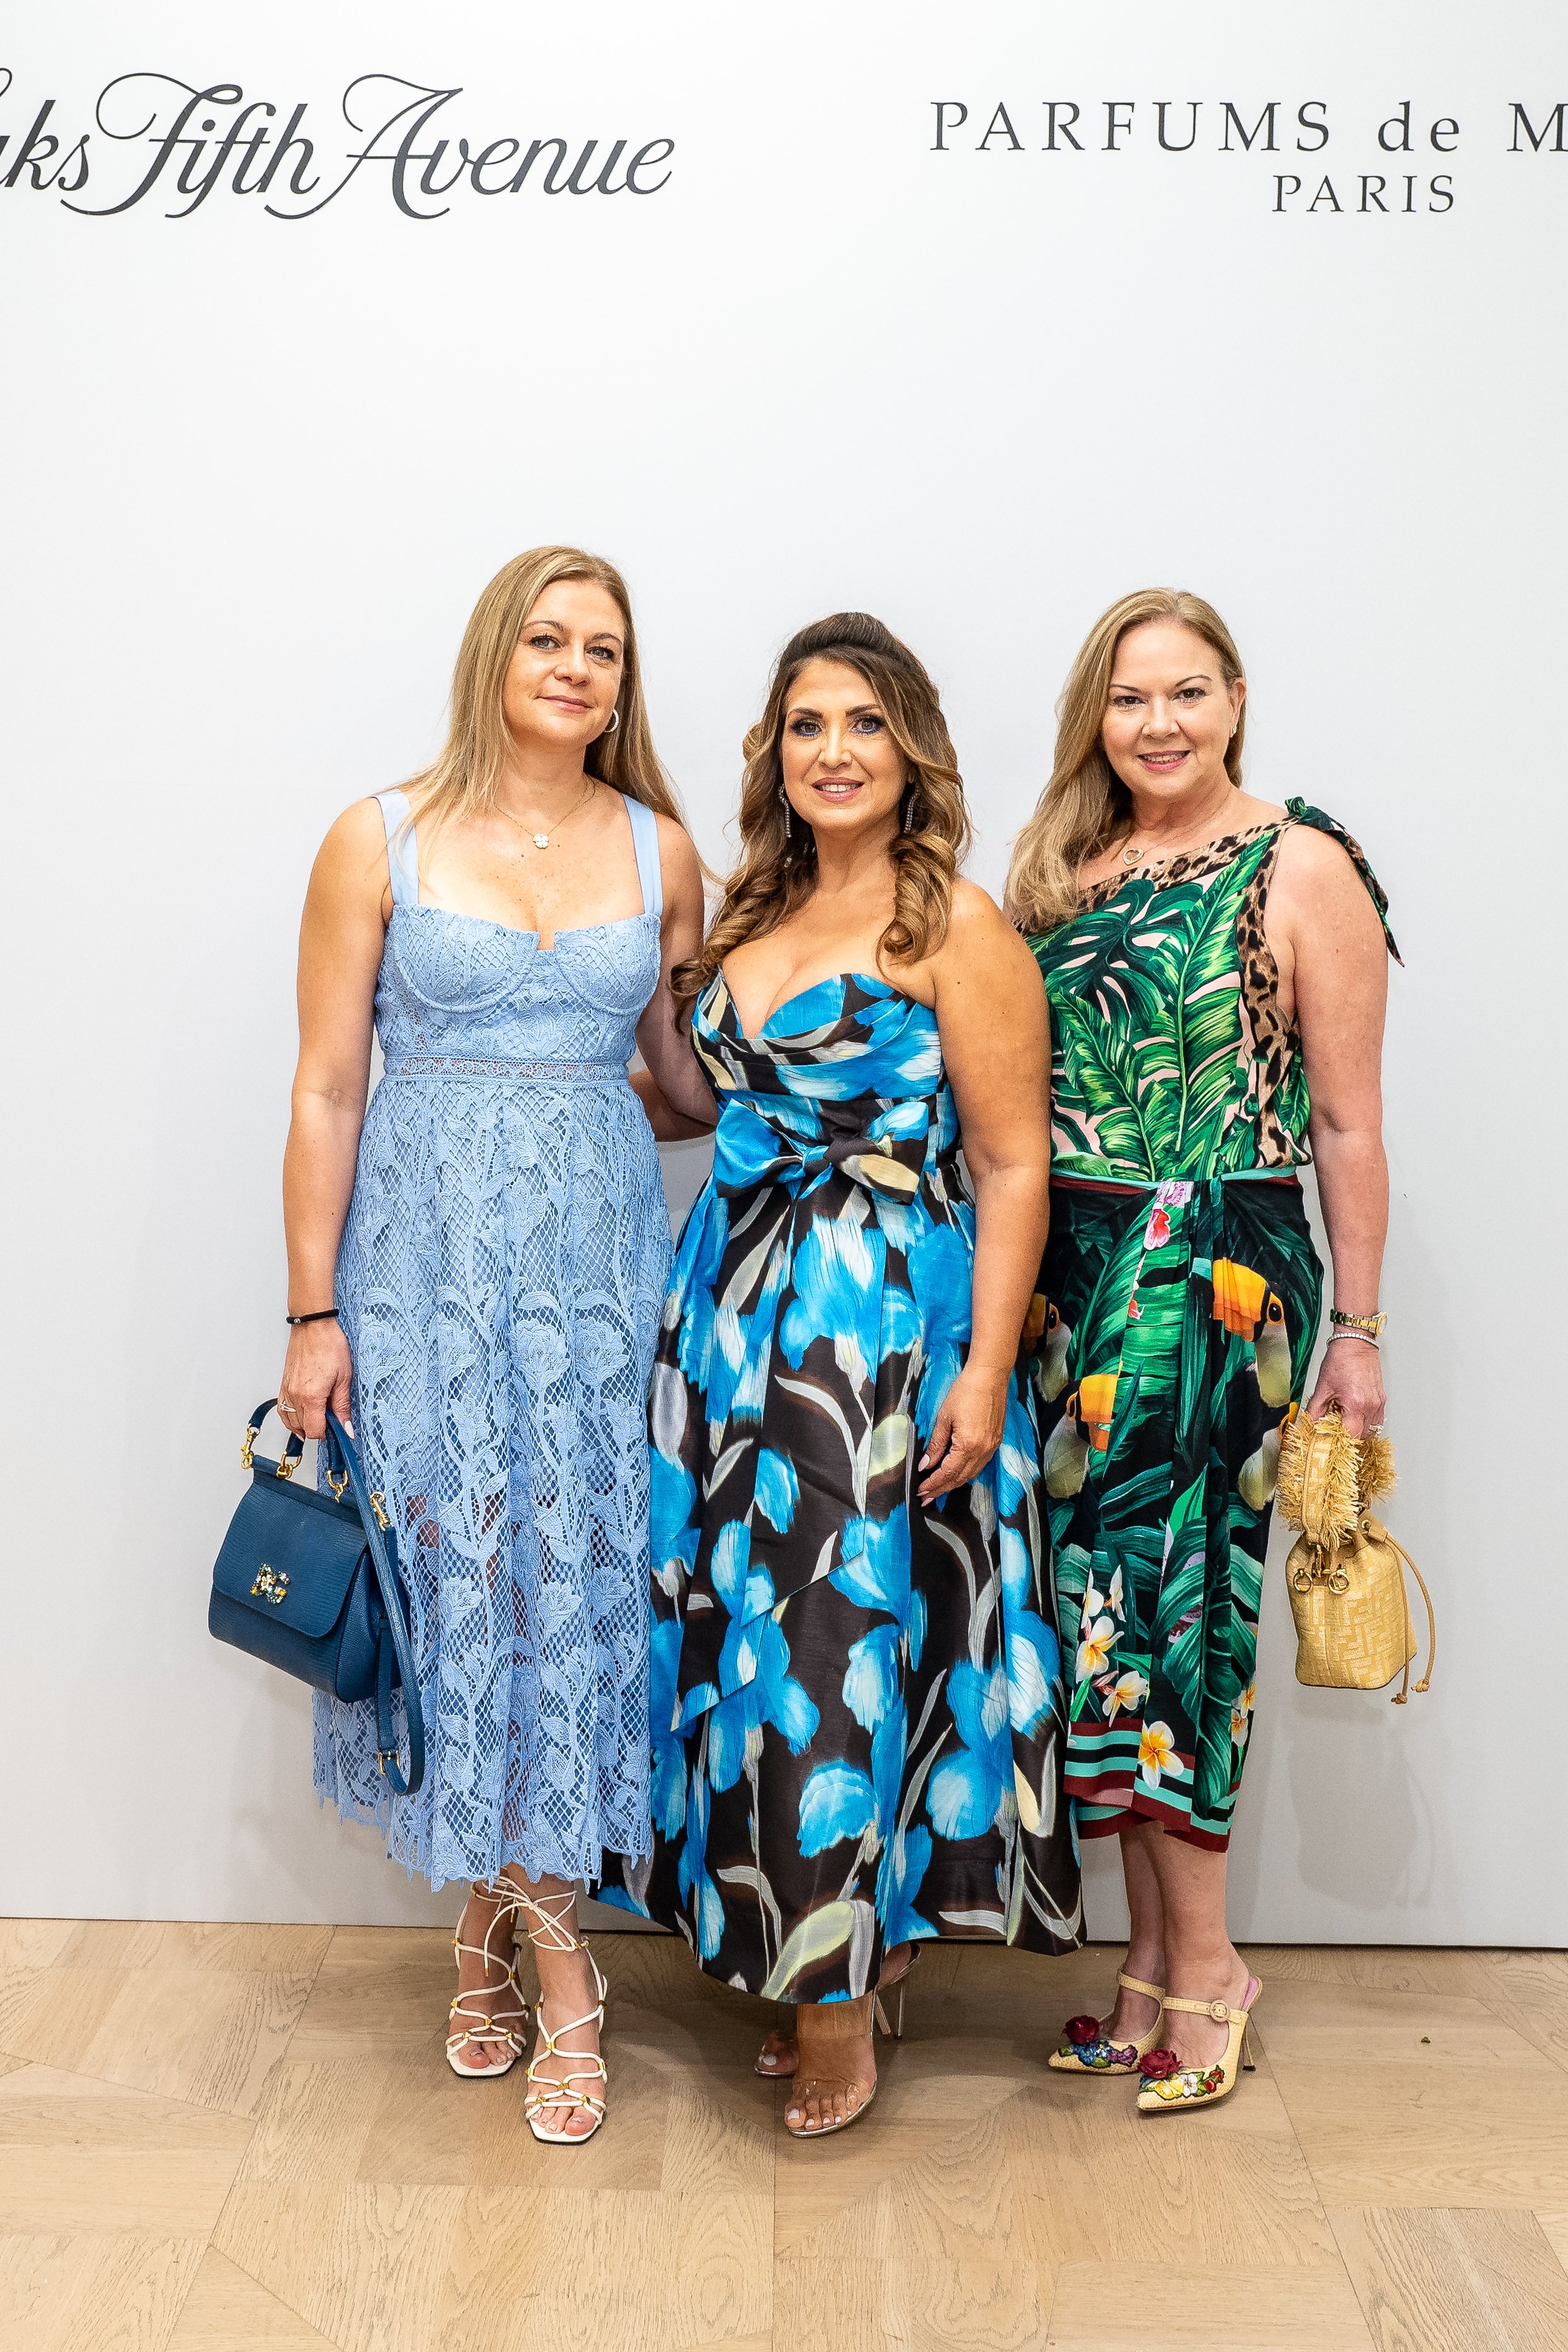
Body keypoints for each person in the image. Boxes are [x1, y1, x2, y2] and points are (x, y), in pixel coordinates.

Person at [604, 612, 1083, 2138]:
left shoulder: (961, 928)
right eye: (807, 725)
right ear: (776, 751)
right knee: (746, 1639)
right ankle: (825, 1954)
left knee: (836, 1642)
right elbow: (690, 1097)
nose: (833, 752)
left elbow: (1014, 1168)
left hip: (878, 1330)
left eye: (863, 725)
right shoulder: (745, 916)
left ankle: (831, 2011)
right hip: (733, 1316)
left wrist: (987, 1371)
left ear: (913, 748)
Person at [275, 546, 714, 2144]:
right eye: (550, 636)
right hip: (423, 1274)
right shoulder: (376, 834)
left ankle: (506, 1932)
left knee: (577, 1578)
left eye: (605, 646)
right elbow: (328, 1089)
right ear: (495, 652)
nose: (579, 665)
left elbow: (679, 1079)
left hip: (597, 1274)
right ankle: (548, 1957)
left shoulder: (664, 846)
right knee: (461, 1578)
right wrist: (313, 1312)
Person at [1006, 588, 1398, 2113]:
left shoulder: (1303, 864)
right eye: (1127, 697)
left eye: (1185, 692)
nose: (1156, 722)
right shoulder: (1059, 869)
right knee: (1093, 1627)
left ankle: (1213, 1966)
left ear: (1235, 698)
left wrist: (1356, 1327)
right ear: (1094, 715)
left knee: (1191, 1626)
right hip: (1069, 1289)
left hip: (1222, 1278)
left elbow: (1352, 1124)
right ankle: (1146, 1965)